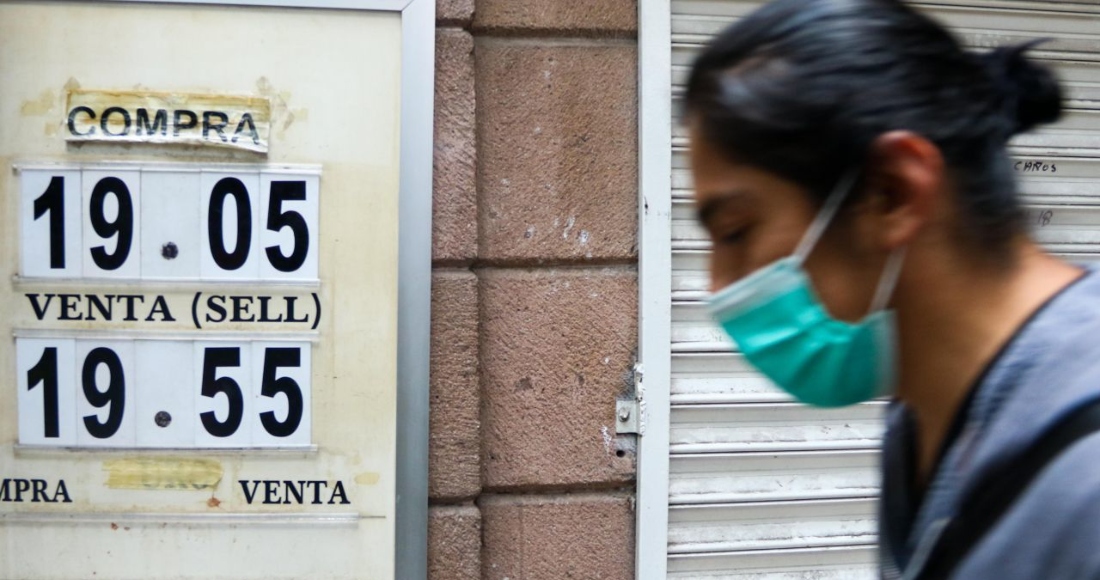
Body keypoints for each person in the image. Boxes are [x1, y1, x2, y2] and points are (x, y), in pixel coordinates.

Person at [685, 0, 1100, 578]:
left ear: (893, 192)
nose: (718, 287)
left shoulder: (1086, 477)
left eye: (736, 231)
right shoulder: (924, 417)